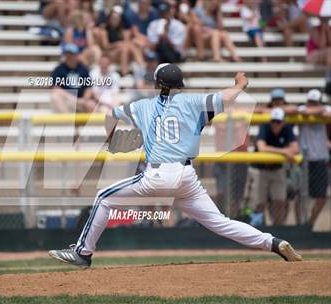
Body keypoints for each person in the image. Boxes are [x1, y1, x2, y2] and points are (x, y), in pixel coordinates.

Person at [49, 66, 302, 267]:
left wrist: (113, 139)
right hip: (186, 176)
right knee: (220, 222)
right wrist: (239, 85)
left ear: (159, 85)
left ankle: (83, 253)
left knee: (104, 197)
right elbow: (226, 97)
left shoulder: (142, 105)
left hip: (157, 174)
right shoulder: (195, 102)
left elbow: (110, 114)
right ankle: (273, 242)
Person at [252, 107, 299, 226]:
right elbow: (262, 148)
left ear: (283, 122)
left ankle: (278, 229)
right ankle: (260, 231)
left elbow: (295, 149)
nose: (275, 124)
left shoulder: (287, 128)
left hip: (277, 169)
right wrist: (284, 151)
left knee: (279, 201)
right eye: (273, 121)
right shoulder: (265, 127)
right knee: (260, 203)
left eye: (278, 122)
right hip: (261, 170)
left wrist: (279, 151)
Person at [297, 89, 331, 228]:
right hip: (304, 160)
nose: (312, 104)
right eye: (310, 102)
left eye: (315, 102)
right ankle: (299, 226)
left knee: (321, 198)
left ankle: (309, 224)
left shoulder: (326, 109)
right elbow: (303, 111)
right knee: (300, 196)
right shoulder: (303, 109)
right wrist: (317, 110)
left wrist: (319, 109)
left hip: (320, 159)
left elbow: (328, 112)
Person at [50, 43, 95, 112]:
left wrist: (85, 100)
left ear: (76, 56)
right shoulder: (59, 69)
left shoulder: (83, 69)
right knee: (55, 97)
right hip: (66, 99)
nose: (68, 57)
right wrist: (71, 98)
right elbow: (55, 88)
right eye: (67, 54)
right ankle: (68, 121)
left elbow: (88, 88)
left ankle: (89, 122)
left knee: (92, 105)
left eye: (71, 54)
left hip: (80, 100)